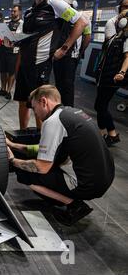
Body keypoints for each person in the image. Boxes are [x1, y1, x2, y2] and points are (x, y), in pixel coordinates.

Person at [7, 85, 115, 226]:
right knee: (48, 162)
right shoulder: (72, 113)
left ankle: (75, 205)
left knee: (25, 174)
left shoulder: (52, 122)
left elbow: (41, 167)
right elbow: (43, 149)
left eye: (34, 108)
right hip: (106, 177)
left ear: (43, 102)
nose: (35, 113)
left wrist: (12, 160)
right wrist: (14, 145)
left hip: (89, 185)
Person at [14, 0, 88, 130]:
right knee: (23, 102)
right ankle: (23, 134)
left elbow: (82, 22)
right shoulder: (29, 11)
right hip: (25, 64)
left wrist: (64, 48)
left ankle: (43, 139)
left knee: (39, 105)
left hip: (41, 64)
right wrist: (12, 41)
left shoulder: (54, 4)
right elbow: (25, 39)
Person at [94, 0, 128, 147]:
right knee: (99, 105)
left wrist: (121, 72)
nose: (126, 9)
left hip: (114, 74)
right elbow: (107, 46)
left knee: (101, 105)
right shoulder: (114, 26)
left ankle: (110, 134)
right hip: (104, 72)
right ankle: (107, 134)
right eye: (124, 6)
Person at [53, 0, 91, 107]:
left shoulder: (81, 18)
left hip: (70, 56)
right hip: (61, 55)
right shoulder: (60, 19)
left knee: (66, 84)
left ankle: (68, 108)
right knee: (61, 83)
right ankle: (60, 106)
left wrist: (79, 52)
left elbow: (87, 37)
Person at [0, 4, 23, 100]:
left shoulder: (22, 23)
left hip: (14, 51)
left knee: (11, 71)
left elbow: (18, 37)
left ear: (19, 12)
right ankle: (3, 89)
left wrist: (11, 35)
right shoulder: (7, 22)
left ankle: (9, 91)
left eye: (14, 11)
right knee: (3, 70)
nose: (12, 13)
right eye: (12, 11)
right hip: (4, 49)